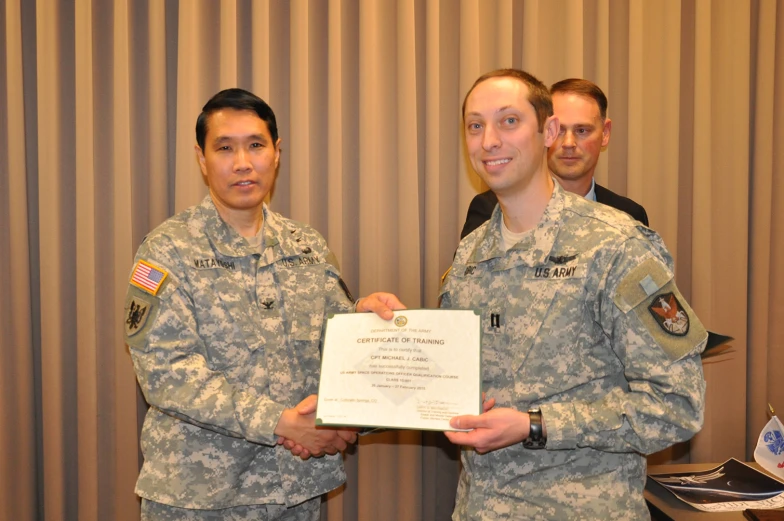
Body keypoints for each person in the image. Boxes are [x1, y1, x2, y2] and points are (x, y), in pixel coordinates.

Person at [123, 88, 403, 520]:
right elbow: (168, 373)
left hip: (297, 492)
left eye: (255, 145)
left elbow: (336, 348)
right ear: (201, 158)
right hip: (199, 499)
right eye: (224, 148)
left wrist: (365, 321)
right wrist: (281, 422)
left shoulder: (306, 245)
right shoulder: (167, 250)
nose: (242, 162)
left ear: (276, 152)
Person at [440, 69, 706, 519]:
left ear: (547, 131)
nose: (489, 141)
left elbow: (677, 405)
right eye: (475, 125)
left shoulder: (617, 245)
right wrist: (388, 328)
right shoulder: (470, 254)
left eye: (508, 121)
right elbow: (452, 381)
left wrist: (536, 426)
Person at [460, 78, 648, 239]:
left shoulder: (627, 215)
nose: (568, 143)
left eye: (582, 131)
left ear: (605, 133)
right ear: (548, 131)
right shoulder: (493, 209)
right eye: (559, 131)